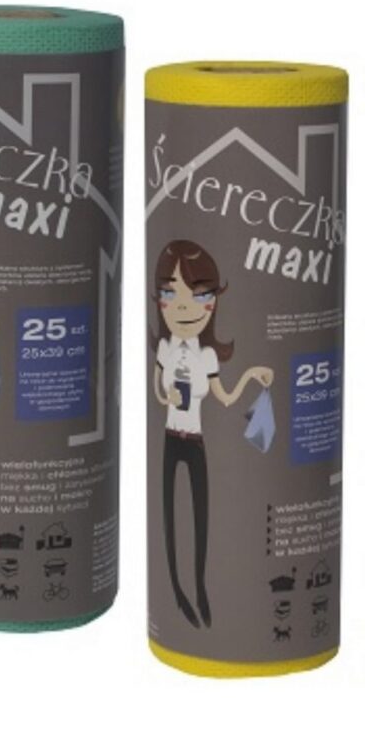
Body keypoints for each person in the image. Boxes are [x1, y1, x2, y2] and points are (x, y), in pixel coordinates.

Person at [152, 239, 272, 628]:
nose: (184, 306)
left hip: (195, 443)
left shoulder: (206, 356)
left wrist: (251, 376)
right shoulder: (166, 349)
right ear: (159, 300)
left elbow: (225, 397)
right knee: (169, 518)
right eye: (170, 293)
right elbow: (157, 388)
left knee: (200, 519)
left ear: (213, 302)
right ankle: (176, 590)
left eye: (200, 294)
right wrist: (166, 395)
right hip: (170, 439)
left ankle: (200, 589)